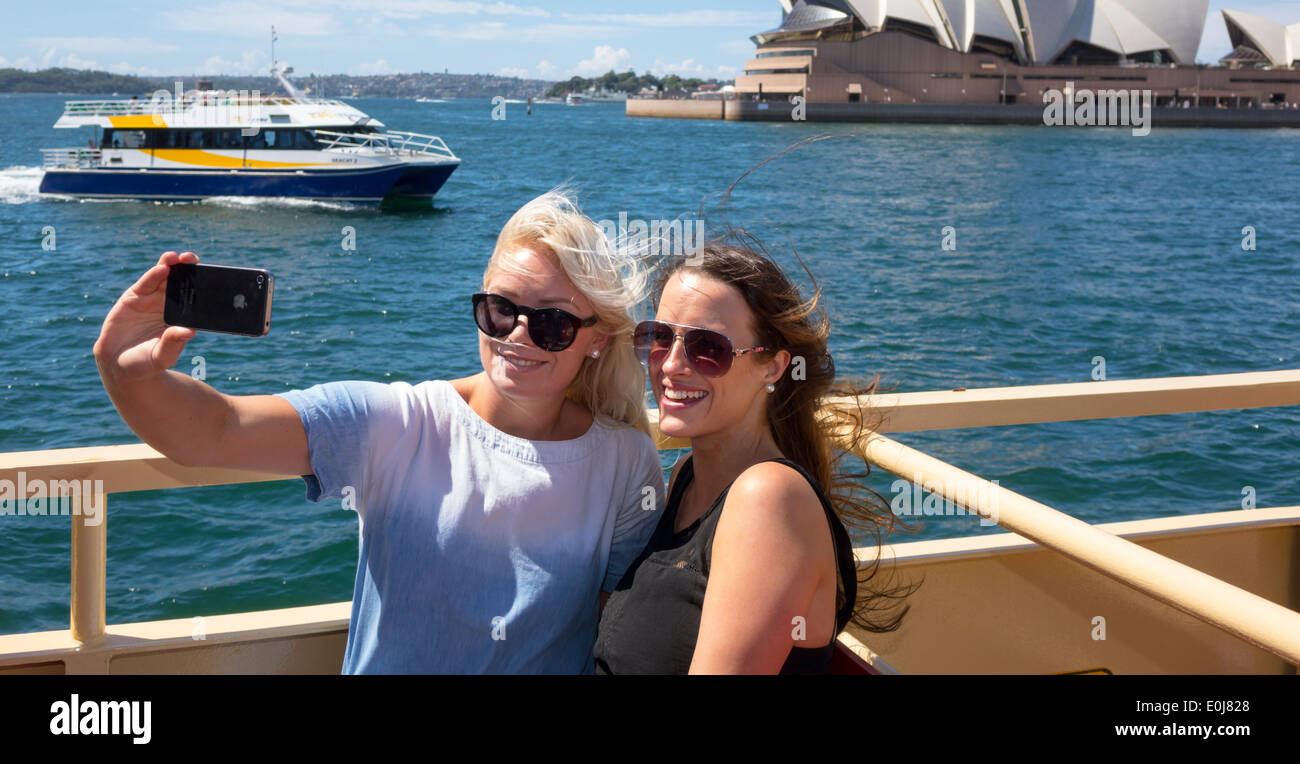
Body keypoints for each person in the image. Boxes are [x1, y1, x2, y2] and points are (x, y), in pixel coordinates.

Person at [92, 189, 664, 673]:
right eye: (500, 309)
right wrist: (125, 370)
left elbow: (614, 637)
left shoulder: (625, 461)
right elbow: (214, 430)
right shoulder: (399, 424)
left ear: (597, 339)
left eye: (552, 323)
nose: (517, 333)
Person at [594, 241, 911, 674]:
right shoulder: (688, 478)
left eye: (708, 347)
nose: (670, 365)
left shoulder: (768, 500)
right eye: (659, 337)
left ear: (772, 367)